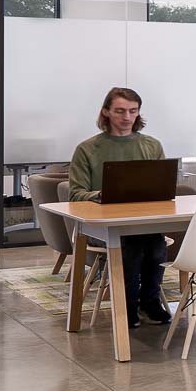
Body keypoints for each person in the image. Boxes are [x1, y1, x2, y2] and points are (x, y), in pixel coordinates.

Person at [67, 87, 173, 327]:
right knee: (133, 245)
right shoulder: (87, 149)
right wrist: (101, 195)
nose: (127, 117)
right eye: (120, 111)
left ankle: (149, 302)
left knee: (156, 245)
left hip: (142, 222)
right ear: (106, 112)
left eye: (133, 111)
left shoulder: (152, 145)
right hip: (100, 228)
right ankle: (127, 305)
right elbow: (75, 194)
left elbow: (162, 188)